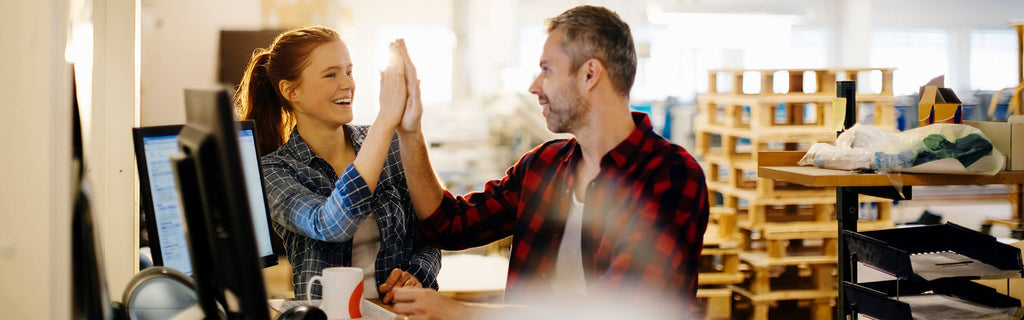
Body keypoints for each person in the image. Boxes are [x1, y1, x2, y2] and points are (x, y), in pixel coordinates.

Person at [390, 5, 709, 319]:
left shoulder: (670, 176)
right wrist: (410, 131)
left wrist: (459, 313)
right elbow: (450, 224)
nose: (535, 87)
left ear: (589, 74)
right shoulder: (543, 165)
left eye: (547, 70)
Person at [235, 26, 440, 304]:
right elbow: (331, 225)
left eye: (349, 71)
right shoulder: (274, 171)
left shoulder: (390, 143)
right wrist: (384, 121)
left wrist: (417, 274)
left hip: (399, 313)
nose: (348, 84)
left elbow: (429, 234)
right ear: (291, 90)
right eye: (331, 74)